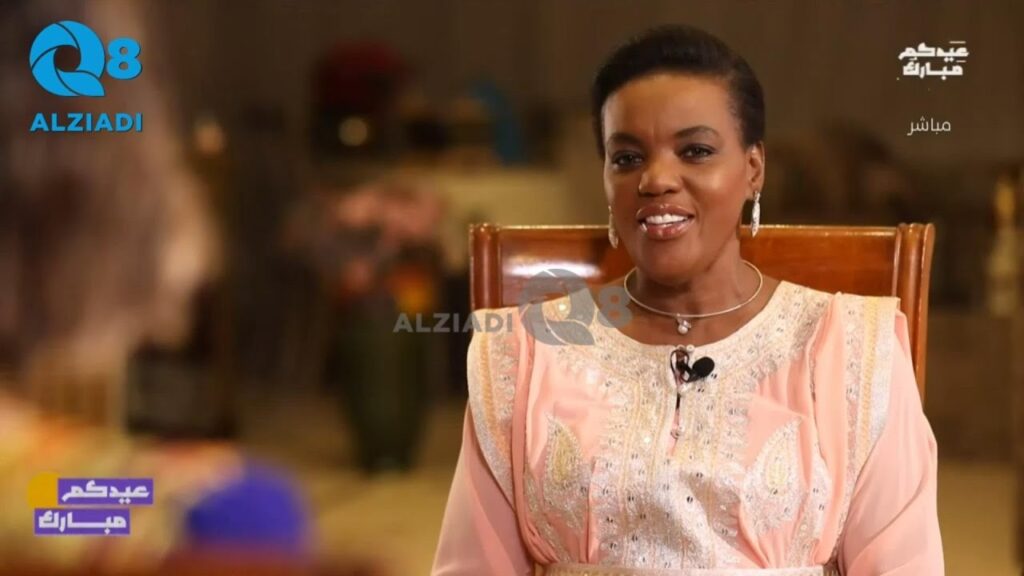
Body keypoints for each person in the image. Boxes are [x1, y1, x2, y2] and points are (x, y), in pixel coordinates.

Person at [432, 25, 943, 575]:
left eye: (695, 151)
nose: (656, 179)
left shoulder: (854, 351)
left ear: (753, 169)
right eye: (626, 158)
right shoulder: (525, 354)